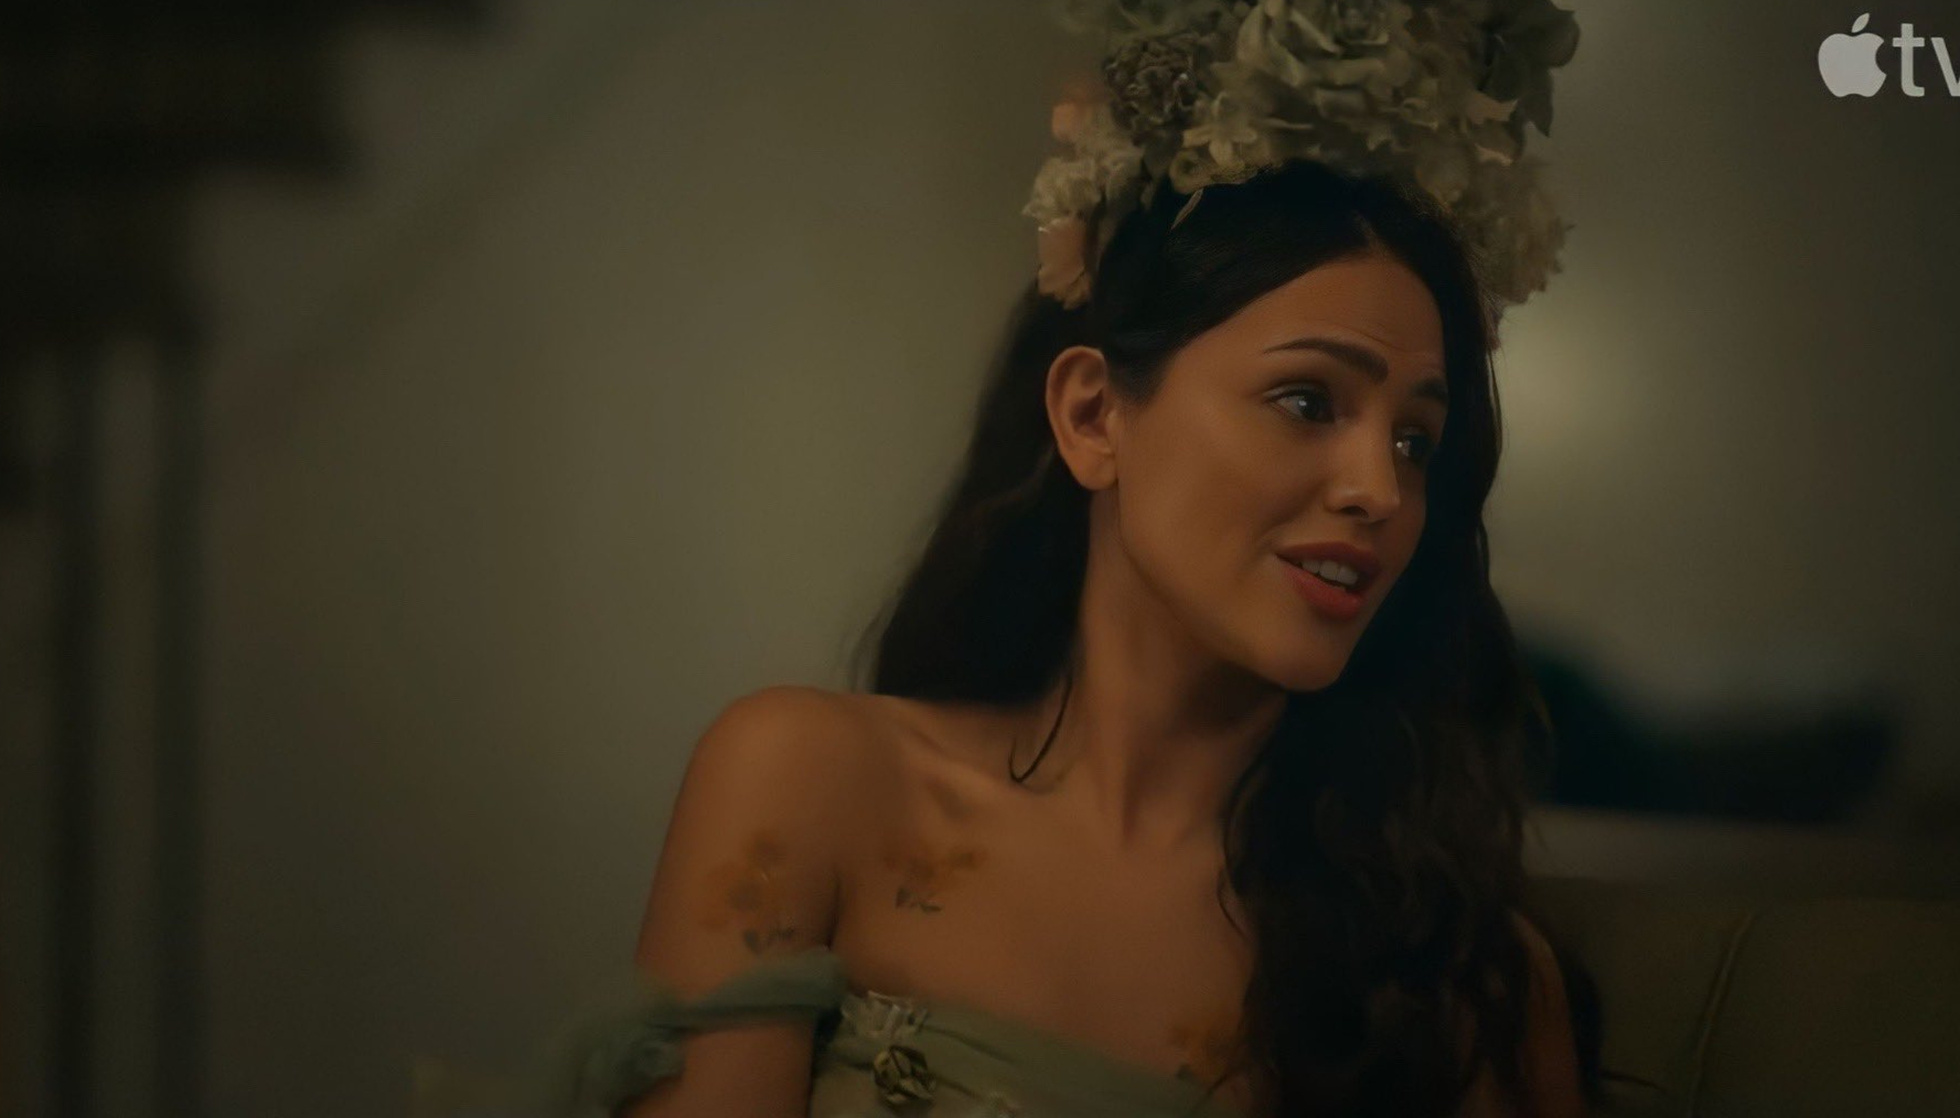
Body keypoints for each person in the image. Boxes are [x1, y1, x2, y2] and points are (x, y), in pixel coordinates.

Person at [569, 4, 1587, 1116]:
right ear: (1095, 415)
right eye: (1306, 400)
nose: (1378, 493)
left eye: (1415, 441)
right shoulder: (813, 784)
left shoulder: (1452, 974)